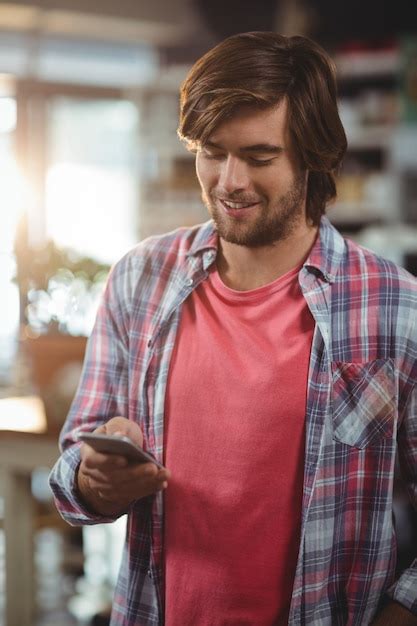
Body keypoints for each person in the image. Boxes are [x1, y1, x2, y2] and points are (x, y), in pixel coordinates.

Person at [49, 32, 417, 626]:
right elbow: (72, 475)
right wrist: (95, 480)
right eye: (212, 152)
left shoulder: (394, 306)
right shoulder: (139, 280)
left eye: (259, 156)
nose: (229, 181)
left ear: (314, 155)